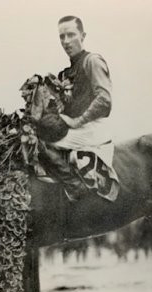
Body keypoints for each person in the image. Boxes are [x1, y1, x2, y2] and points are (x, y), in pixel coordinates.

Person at [38, 15, 113, 200]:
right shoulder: (65, 72)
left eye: (71, 35)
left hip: (92, 128)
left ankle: (74, 186)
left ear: (83, 35)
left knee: (37, 144)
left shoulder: (92, 61)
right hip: (77, 127)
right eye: (62, 37)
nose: (66, 41)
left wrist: (76, 121)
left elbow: (104, 100)